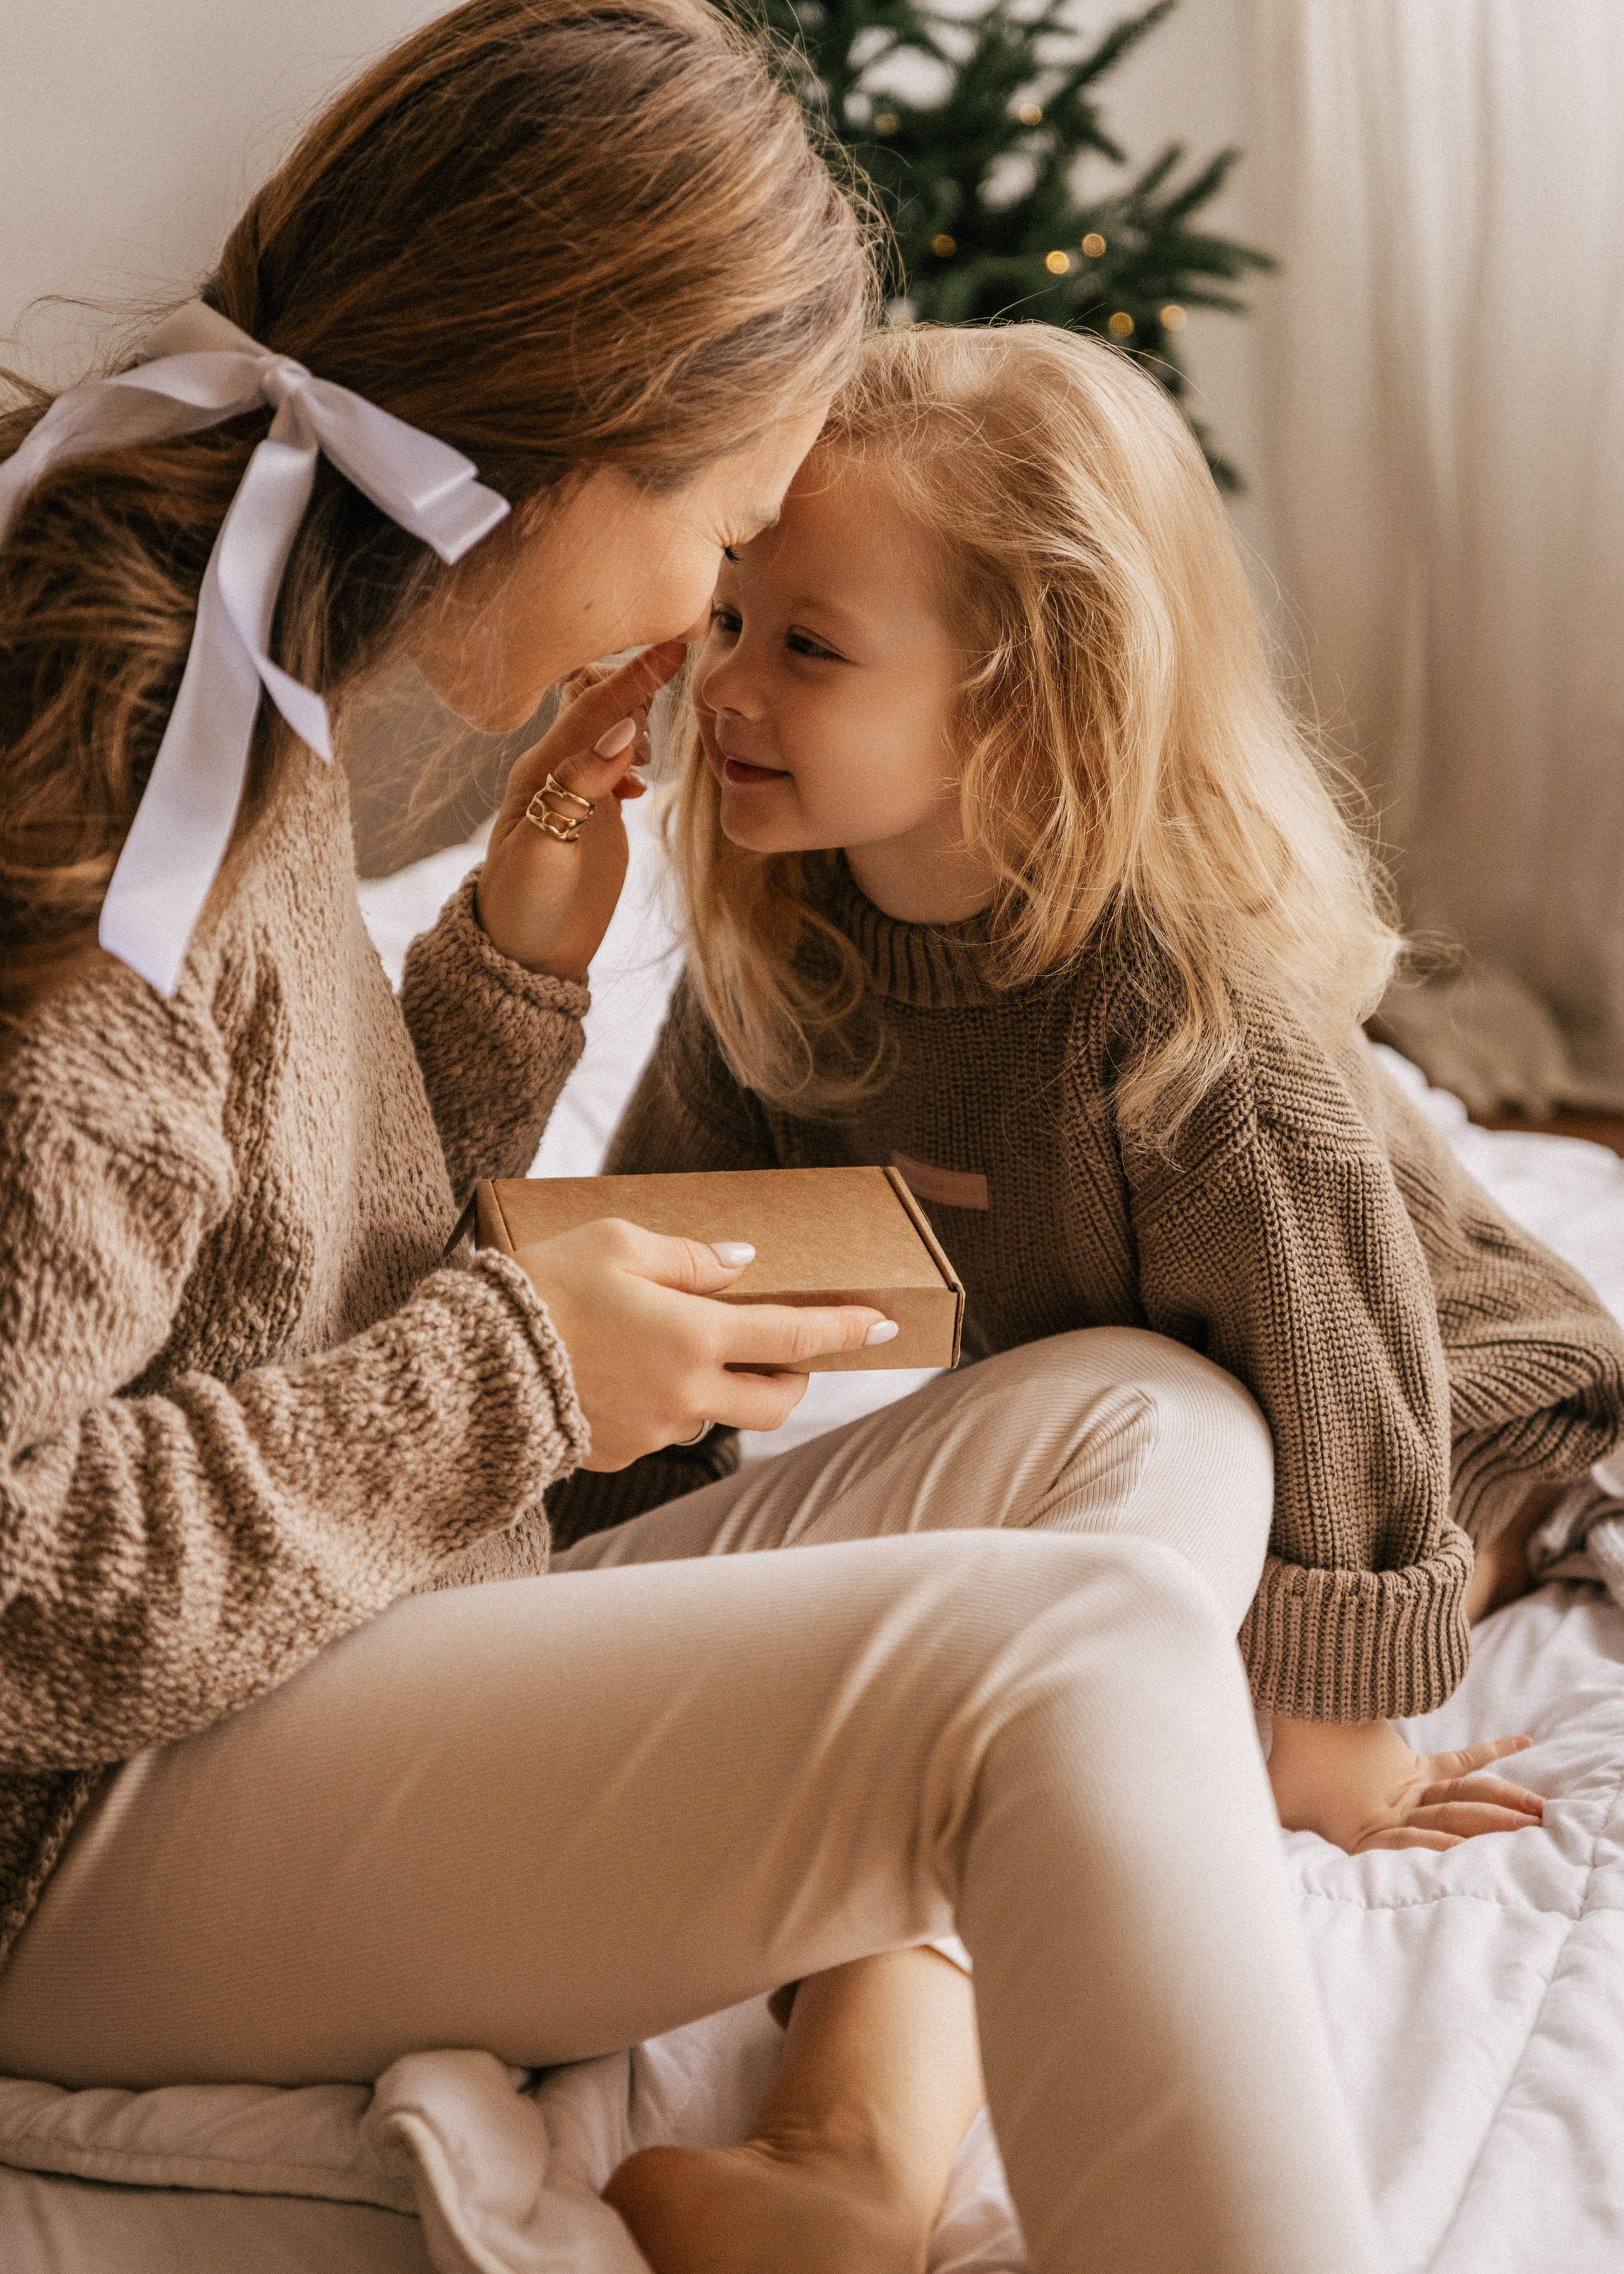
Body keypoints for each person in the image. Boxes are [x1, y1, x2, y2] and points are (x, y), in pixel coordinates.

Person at [0, 8, 1396, 2271]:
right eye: (725, 540)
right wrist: (522, 1372)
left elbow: (261, 1275)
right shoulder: (116, 788)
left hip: (297, 1646)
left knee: (1140, 1415)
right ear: (580, 443)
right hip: (76, 1822)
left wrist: (503, 977)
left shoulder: (244, 660)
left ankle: (846, 2154)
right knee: (1065, 1657)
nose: (695, 632)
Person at [606, 319, 1624, 1848]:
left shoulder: (1191, 1042)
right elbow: (672, 1280)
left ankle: (1531, 1525)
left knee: (1151, 1698)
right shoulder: (782, 957)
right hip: (1148, 1399)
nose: (724, 686)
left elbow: (1339, 1395)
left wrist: (1339, 1742)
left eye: (807, 645)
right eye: (731, 613)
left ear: (1024, 695)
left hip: (1425, 1388)